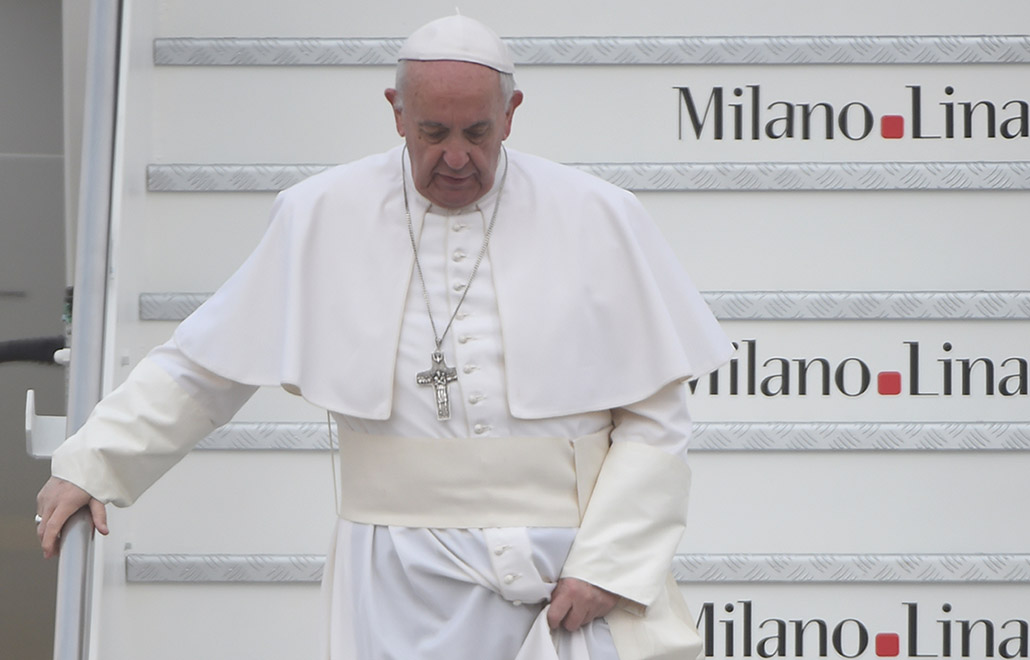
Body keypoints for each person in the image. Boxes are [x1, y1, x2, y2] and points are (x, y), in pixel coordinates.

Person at [36, 14, 731, 660]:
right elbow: (204, 368)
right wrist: (94, 461)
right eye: (434, 133)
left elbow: (657, 417)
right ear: (397, 112)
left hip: (568, 577)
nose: (457, 158)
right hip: (396, 579)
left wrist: (608, 565)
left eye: (477, 134)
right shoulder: (322, 214)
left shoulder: (600, 217)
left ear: (512, 116)